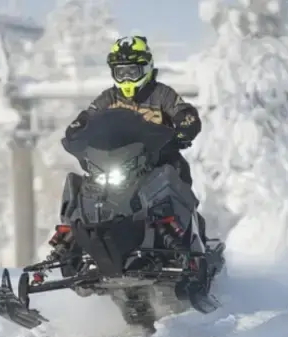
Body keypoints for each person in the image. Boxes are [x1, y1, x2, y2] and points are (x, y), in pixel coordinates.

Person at [65, 35, 208, 239]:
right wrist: (77, 130)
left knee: (176, 173)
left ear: (146, 68)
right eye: (120, 72)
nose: (126, 78)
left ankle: (187, 236)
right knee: (83, 187)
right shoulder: (108, 98)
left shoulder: (161, 94)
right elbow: (88, 117)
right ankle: (71, 236)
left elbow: (184, 112)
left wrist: (185, 124)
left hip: (156, 162)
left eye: (132, 71)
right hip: (117, 165)